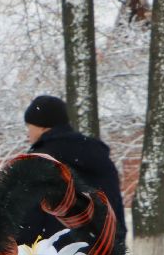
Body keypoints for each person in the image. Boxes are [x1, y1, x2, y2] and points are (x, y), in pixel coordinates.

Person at [21, 94, 125, 239]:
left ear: (42, 126)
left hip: (56, 250)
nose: (28, 133)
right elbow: (115, 205)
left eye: (29, 127)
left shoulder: (41, 160)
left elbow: (29, 217)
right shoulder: (98, 156)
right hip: (102, 246)